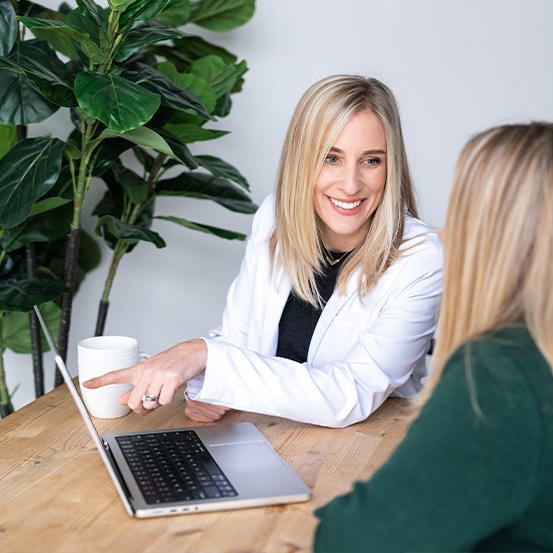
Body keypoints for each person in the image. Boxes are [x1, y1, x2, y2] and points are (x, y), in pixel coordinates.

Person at [84, 75, 443, 428]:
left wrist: (205, 357)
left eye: (371, 161)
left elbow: (353, 393)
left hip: (369, 448)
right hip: (269, 431)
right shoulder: (275, 217)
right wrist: (205, 384)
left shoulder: (422, 259)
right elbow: (237, 339)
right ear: (302, 160)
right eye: (331, 158)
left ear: (391, 166)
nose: (350, 185)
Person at [314, 122, 553, 551]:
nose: (444, 235)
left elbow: (353, 539)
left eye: (463, 217)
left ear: (506, 239)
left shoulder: (504, 375)